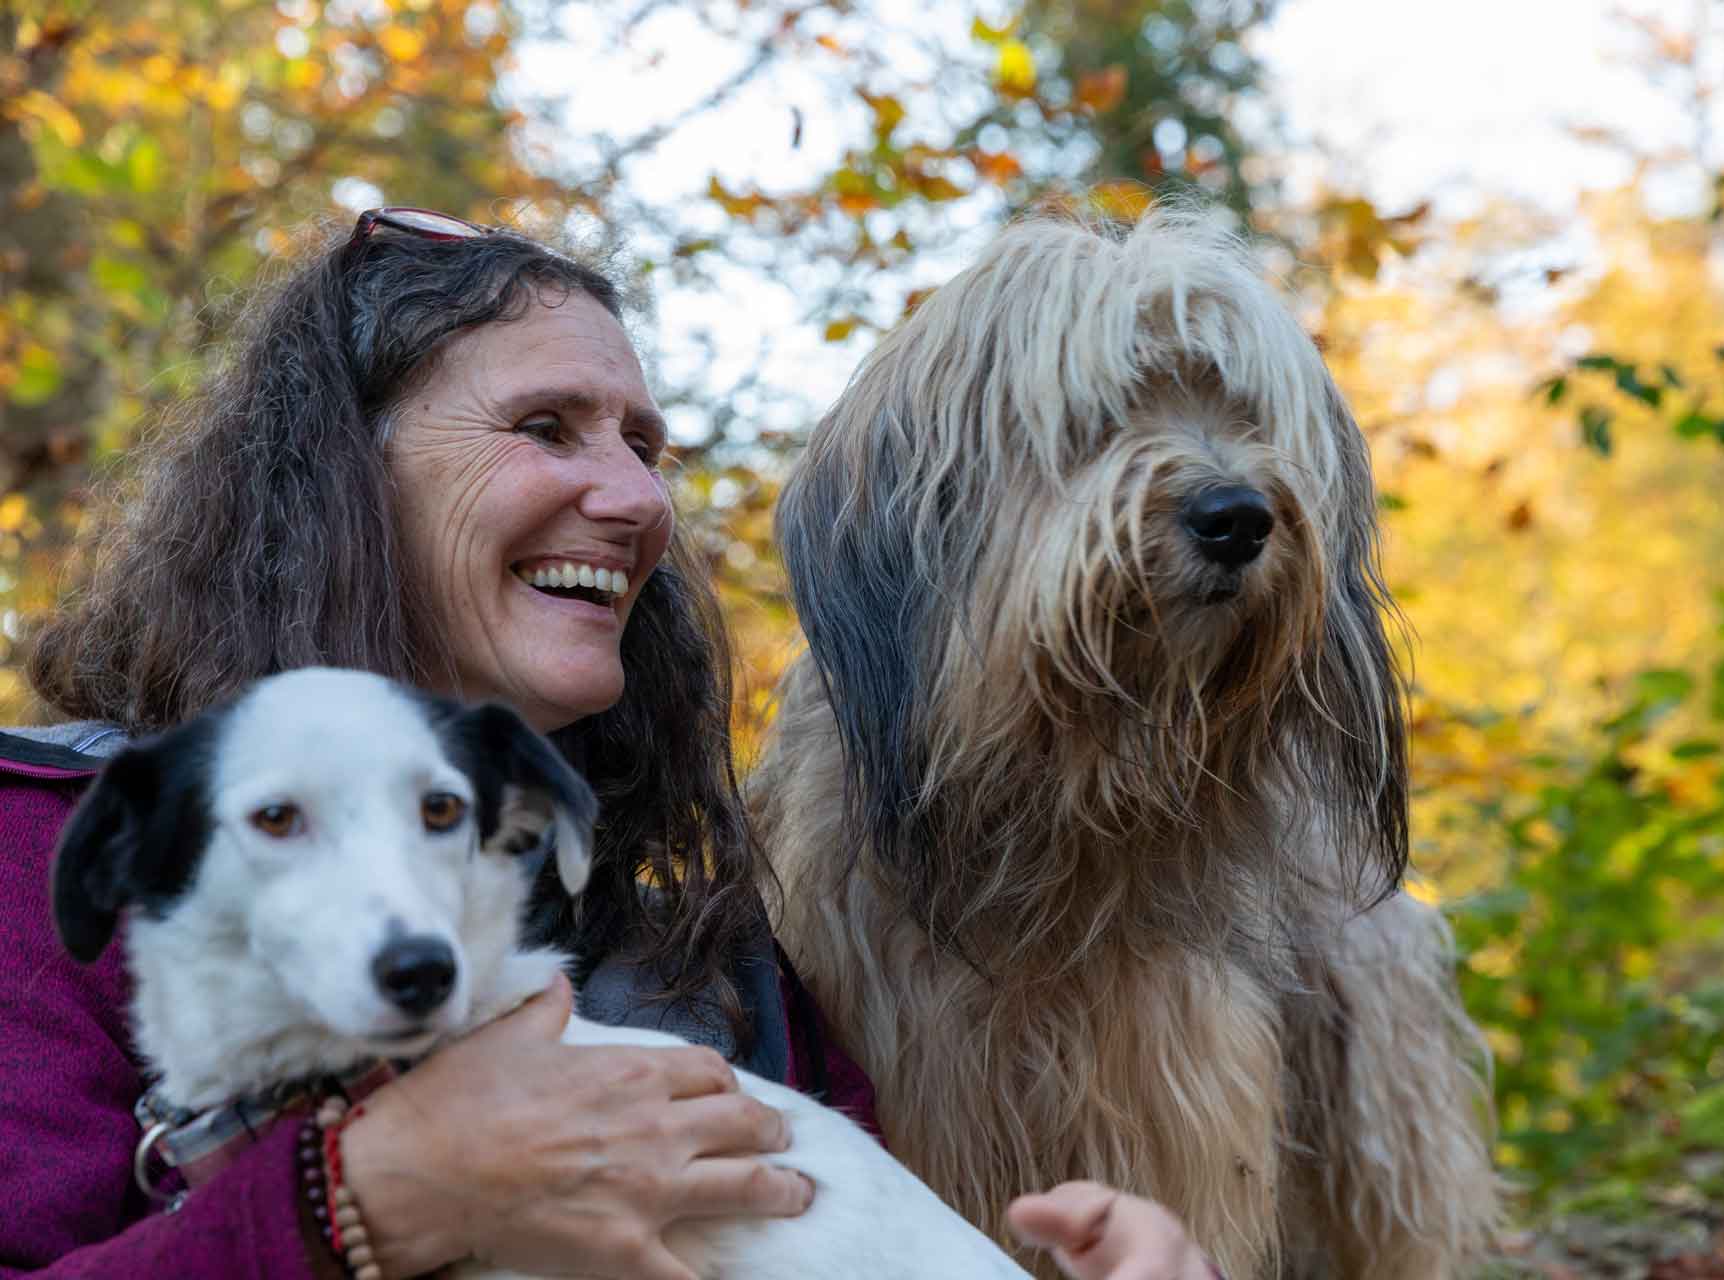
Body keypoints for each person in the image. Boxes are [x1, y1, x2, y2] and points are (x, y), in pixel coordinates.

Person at [0, 207, 1221, 1279]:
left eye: (645, 446)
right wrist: (363, 1200)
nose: (640, 502)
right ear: (342, 482)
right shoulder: (43, 845)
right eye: (546, 425)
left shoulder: (699, 955)